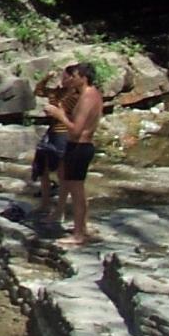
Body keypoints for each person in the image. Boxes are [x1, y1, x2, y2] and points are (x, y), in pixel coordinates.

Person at [50, 61, 106, 247]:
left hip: (80, 146)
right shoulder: (93, 94)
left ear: (83, 77)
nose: (71, 79)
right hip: (80, 147)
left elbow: (75, 130)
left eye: (74, 76)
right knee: (77, 189)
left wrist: (59, 115)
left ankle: (78, 235)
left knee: (76, 192)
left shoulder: (88, 97)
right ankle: (82, 228)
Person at [28, 65, 81, 222]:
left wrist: (55, 109)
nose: (62, 80)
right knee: (42, 168)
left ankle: (60, 210)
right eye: (62, 77)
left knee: (62, 173)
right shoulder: (55, 92)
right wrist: (46, 78)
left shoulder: (75, 95)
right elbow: (37, 91)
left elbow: (67, 112)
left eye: (66, 77)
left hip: (64, 133)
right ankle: (45, 204)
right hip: (52, 132)